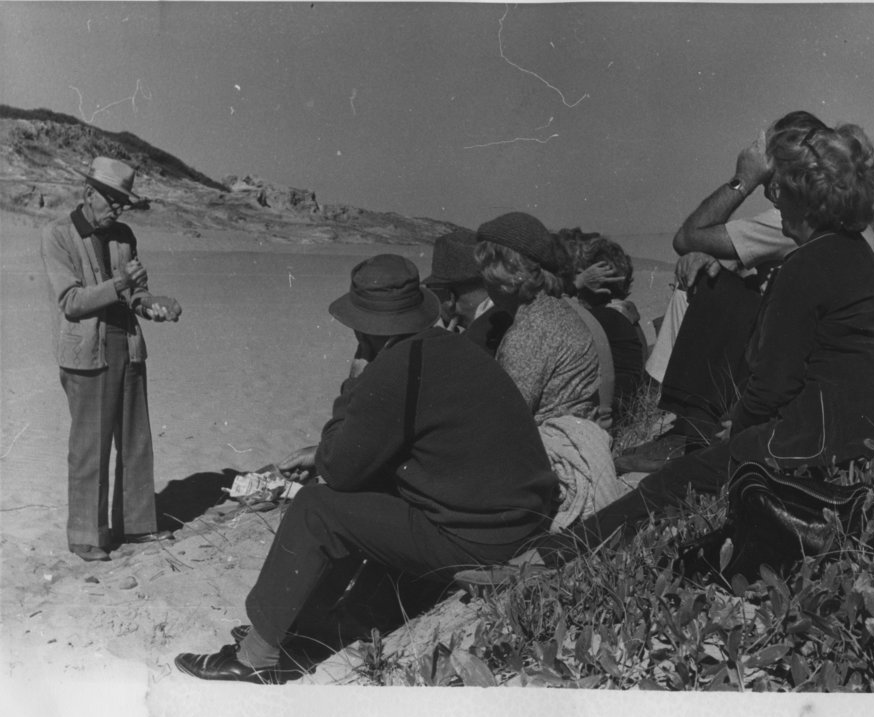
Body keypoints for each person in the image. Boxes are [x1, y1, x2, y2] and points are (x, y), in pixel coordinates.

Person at [538, 122, 874, 565]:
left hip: (823, 437)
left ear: (804, 198)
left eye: (778, 190)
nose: (772, 199)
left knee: (678, 478)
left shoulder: (805, 265)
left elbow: (772, 386)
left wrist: (737, 433)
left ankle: (556, 555)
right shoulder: (856, 254)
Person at [175, 254, 556, 682]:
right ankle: (301, 623)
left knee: (318, 507)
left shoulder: (393, 369)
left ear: (364, 326)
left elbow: (340, 473)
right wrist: (322, 453)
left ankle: (255, 657)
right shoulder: (448, 348)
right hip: (517, 522)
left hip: (480, 542)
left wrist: (355, 382)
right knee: (356, 501)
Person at [632, 112, 874, 462]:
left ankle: (687, 430)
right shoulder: (841, 226)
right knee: (719, 278)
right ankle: (683, 424)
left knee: (706, 288)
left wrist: (744, 179)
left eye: (774, 167)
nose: (773, 190)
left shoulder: (803, 223)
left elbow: (687, 237)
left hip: (809, 392)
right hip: (841, 376)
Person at [40, 157, 182, 562]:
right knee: (91, 446)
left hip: (128, 347)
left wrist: (153, 305)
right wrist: (121, 284)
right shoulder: (57, 235)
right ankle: (86, 534)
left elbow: (135, 295)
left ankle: (137, 526)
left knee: (136, 441)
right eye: (113, 200)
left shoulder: (123, 236)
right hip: (86, 355)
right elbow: (71, 302)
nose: (118, 208)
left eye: (123, 202)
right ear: (88, 194)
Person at [475, 212, 601, 425]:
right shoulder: (552, 311)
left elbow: (504, 419)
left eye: (486, 266)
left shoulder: (530, 331)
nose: (482, 276)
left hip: (546, 450)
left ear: (513, 272)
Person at [554, 228, 648, 421]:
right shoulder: (625, 314)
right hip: (622, 414)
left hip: (606, 420)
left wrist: (575, 283)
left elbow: (545, 315)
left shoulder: (598, 320)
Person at [424, 227, 512, 355]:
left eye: (435, 293)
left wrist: (444, 349)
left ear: (450, 299)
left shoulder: (477, 342)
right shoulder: (513, 313)